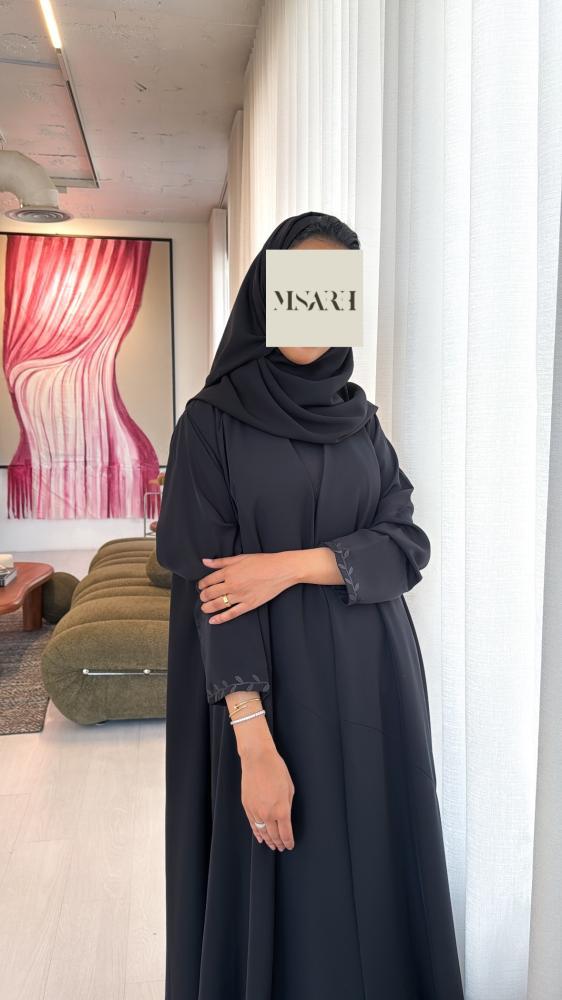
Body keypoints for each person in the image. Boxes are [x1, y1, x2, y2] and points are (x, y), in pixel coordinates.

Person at [156, 210, 465, 1000]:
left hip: (376, 686)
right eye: (302, 284)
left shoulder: (362, 422)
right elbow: (213, 595)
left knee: (379, 875)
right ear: (269, 290)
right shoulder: (209, 425)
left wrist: (288, 568)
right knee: (288, 881)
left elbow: (406, 547)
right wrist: (255, 745)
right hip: (270, 696)